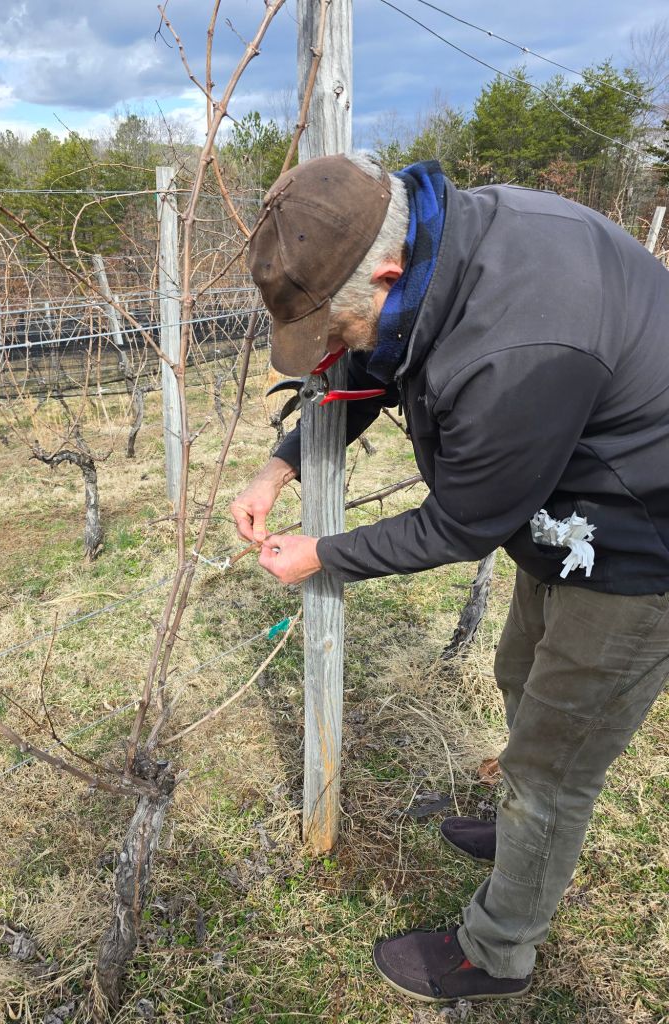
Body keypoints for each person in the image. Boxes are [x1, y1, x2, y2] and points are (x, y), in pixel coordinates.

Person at [229, 153, 669, 1003]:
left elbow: (464, 523)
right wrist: (281, 467)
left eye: (337, 324)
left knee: (553, 767)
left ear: (386, 273)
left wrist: (323, 553)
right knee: (520, 674)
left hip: (641, 535)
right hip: (570, 512)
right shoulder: (439, 245)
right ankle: (527, 839)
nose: (334, 346)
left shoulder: (520, 347)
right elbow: (373, 363)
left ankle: (497, 954)